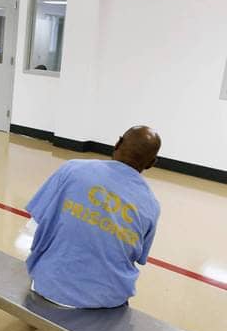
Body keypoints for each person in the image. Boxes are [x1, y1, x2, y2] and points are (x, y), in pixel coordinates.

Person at [25, 126, 162, 309]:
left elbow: (35, 224)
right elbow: (139, 257)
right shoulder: (151, 205)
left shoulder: (72, 169)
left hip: (49, 285)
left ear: (117, 143)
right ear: (151, 163)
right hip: (107, 300)